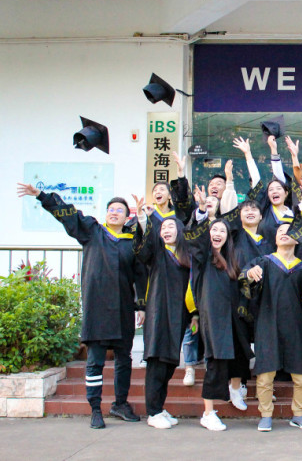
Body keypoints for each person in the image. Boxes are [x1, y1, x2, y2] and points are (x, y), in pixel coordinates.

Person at [17, 183, 146, 430]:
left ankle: (120, 404)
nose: (114, 213)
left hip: (122, 309)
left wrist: (141, 305)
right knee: (95, 361)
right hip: (97, 308)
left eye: (119, 210)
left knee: (124, 359)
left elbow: (140, 275)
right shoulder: (92, 231)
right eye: (111, 209)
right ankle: (95, 409)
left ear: (126, 216)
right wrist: (42, 196)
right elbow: (68, 213)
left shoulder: (132, 242)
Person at [186, 191, 253, 431]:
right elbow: (196, 239)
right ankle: (208, 413)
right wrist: (203, 213)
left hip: (232, 317)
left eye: (222, 231)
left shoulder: (231, 259)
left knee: (239, 354)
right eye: (214, 230)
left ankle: (235, 389)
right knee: (215, 362)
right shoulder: (203, 257)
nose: (217, 234)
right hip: (213, 318)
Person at [239, 222, 302, 433]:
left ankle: (298, 414)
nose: (284, 234)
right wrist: (249, 274)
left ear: (297, 239)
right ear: (275, 238)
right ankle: (265, 415)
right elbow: (245, 280)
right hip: (268, 323)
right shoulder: (263, 262)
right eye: (280, 231)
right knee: (265, 374)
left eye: (289, 231)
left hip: (297, 326)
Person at [132, 196, 192, 430]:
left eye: (171, 226)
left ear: (180, 231)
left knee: (169, 363)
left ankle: (159, 406)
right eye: (163, 227)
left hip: (178, 315)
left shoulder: (186, 257)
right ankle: (153, 411)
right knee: (157, 362)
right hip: (159, 315)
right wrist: (142, 218)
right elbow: (143, 248)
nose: (166, 230)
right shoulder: (158, 254)